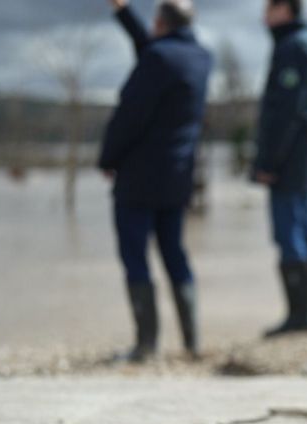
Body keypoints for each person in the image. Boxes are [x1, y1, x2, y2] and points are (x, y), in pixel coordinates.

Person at [99, 0, 213, 361]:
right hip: (177, 176)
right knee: (174, 253)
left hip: (138, 177)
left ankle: (146, 346)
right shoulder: (200, 58)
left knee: (135, 256)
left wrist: (107, 159)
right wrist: (123, 12)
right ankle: (192, 343)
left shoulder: (156, 58)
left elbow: (129, 115)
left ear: (160, 23)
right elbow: (155, 51)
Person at [252, 0, 307, 338]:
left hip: (289, 160)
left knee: (291, 234)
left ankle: (299, 318)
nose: (263, 15)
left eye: (268, 8)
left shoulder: (293, 47)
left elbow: (286, 112)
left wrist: (268, 162)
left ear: (285, 8)